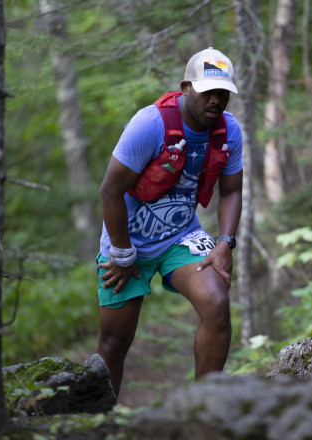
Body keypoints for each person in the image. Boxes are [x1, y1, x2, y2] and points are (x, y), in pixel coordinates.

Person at [95, 47, 243, 396]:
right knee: (114, 343)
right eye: (208, 91)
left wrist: (225, 243)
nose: (217, 100)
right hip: (125, 242)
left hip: (182, 237)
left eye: (224, 93)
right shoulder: (150, 124)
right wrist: (121, 252)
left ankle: (204, 412)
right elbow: (109, 192)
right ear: (187, 86)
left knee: (217, 303)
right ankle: (102, 427)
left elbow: (232, 191)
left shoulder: (229, 130)